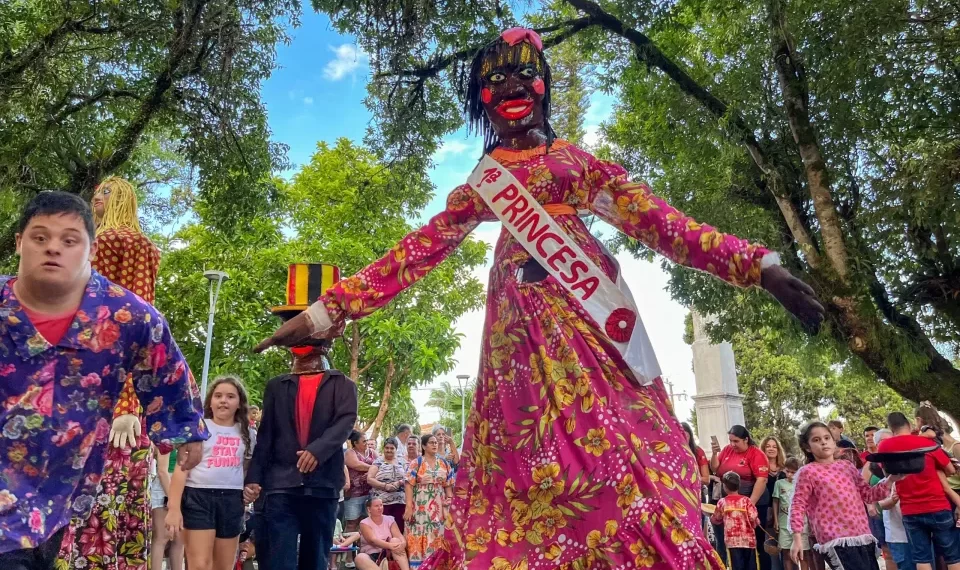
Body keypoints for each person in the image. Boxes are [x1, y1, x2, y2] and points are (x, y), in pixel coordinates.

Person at [253, 28, 825, 569]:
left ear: (544, 83)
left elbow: (659, 224)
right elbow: (419, 250)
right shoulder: (486, 178)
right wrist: (325, 310)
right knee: (517, 471)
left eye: (522, 76)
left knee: (627, 466)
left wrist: (758, 266)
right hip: (514, 345)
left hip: (588, 327)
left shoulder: (575, 165)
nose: (509, 90)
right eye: (494, 81)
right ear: (480, 98)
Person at [0, 190, 207, 569]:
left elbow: (165, 366)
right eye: (40, 237)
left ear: (91, 249)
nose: (53, 249)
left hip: (60, 489)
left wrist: (185, 428)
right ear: (19, 243)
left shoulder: (127, 315)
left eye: (69, 240)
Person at [54, 177, 167, 569]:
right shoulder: (146, 247)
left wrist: (124, 403)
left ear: (118, 198)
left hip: (100, 398)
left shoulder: (106, 242)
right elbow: (144, 327)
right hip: (122, 399)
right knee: (123, 511)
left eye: (102, 192)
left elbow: (115, 322)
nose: (94, 198)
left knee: (91, 509)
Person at [244, 263, 358, 570]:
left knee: (316, 556)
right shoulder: (277, 386)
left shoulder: (343, 385)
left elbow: (345, 422)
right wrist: (254, 478)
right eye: (291, 322)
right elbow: (266, 436)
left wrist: (317, 451)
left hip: (322, 485)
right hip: (280, 484)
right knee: (277, 557)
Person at [165, 375, 256, 570]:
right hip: (198, 497)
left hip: (232, 501)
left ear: (239, 403)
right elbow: (181, 470)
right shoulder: (199, 429)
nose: (224, 400)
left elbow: (248, 469)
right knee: (199, 564)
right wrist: (173, 508)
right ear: (210, 402)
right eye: (218, 396)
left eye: (230, 396)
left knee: (223, 565)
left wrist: (250, 488)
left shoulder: (248, 434)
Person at [790, 422, 900, 570]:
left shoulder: (847, 466)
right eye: (816, 440)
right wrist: (796, 538)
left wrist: (891, 479)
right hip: (835, 538)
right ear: (807, 447)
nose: (823, 442)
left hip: (862, 534)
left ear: (833, 441)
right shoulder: (807, 472)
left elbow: (868, 495)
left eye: (827, 437)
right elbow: (798, 505)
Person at [879, 412, 960, 570]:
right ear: (909, 425)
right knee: (952, 555)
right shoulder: (926, 443)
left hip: (910, 510)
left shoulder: (884, 446)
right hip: (938, 505)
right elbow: (950, 469)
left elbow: (887, 473)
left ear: (891, 428)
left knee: (922, 558)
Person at [711, 425, 771, 567]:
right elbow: (714, 468)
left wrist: (749, 503)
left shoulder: (756, 454)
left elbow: (761, 480)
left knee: (756, 543)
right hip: (730, 502)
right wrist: (714, 454)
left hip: (752, 501)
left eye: (736, 441)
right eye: (730, 441)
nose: (733, 444)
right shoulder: (727, 450)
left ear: (746, 439)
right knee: (733, 546)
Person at [405, 434, 454, 567]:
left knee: (438, 534)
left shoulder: (443, 463)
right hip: (419, 506)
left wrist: (449, 500)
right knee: (418, 534)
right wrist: (408, 507)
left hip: (438, 506)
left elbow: (448, 485)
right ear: (424, 446)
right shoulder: (416, 463)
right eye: (431, 442)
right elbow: (408, 484)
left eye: (436, 443)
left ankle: (436, 565)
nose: (434, 445)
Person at [873, 428, 915, 570]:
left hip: (920, 532)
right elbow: (880, 504)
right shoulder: (884, 484)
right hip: (898, 537)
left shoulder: (912, 476)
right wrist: (891, 501)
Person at [711, 472, 761, 570]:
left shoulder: (722, 502)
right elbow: (754, 519)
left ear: (724, 486)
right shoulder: (746, 501)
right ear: (739, 485)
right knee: (751, 566)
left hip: (732, 542)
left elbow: (716, 519)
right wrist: (756, 523)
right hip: (749, 541)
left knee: (736, 566)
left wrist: (711, 517)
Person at [773, 457, 811, 570]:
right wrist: (776, 520)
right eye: (787, 471)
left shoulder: (803, 484)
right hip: (784, 524)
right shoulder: (779, 484)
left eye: (793, 472)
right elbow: (776, 501)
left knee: (803, 554)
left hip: (801, 525)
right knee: (786, 553)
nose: (789, 475)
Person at [151, 446, 185, 570]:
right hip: (165, 486)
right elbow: (162, 471)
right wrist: (173, 499)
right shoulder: (167, 434)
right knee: (162, 537)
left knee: (180, 540)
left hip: (183, 485)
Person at [356, 498, 411, 570]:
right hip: (371, 554)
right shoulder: (364, 523)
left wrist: (403, 543)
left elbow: (398, 535)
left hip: (389, 553)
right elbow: (373, 540)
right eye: (376, 506)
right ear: (369, 509)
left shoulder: (390, 519)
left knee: (396, 541)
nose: (380, 508)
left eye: (381, 505)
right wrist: (389, 545)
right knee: (360, 558)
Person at [367, 437, 409, 532]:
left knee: (399, 528)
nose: (389, 450)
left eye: (392, 448)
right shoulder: (378, 461)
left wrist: (399, 483)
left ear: (396, 449)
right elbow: (369, 479)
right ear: (383, 448)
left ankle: (398, 546)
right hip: (382, 503)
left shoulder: (402, 461)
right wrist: (385, 486)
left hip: (400, 502)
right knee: (383, 529)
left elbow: (409, 478)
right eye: (387, 448)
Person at [345, 430, 375, 531]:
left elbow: (380, 464)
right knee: (352, 523)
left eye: (366, 440)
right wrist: (373, 468)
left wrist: (373, 470)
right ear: (355, 443)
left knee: (366, 522)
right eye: (364, 441)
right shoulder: (350, 453)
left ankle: (362, 545)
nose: (366, 443)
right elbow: (357, 465)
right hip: (354, 495)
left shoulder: (371, 452)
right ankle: (347, 546)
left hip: (370, 493)